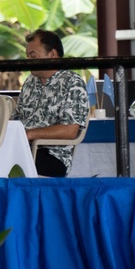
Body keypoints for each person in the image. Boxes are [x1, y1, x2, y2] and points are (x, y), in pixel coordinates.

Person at [16, 29, 88, 177]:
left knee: (3, 162)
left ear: (52, 54)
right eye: (27, 56)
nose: (28, 60)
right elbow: (17, 118)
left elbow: (70, 130)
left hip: (52, 156)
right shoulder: (30, 82)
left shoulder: (72, 82)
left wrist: (29, 135)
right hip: (23, 148)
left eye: (33, 56)